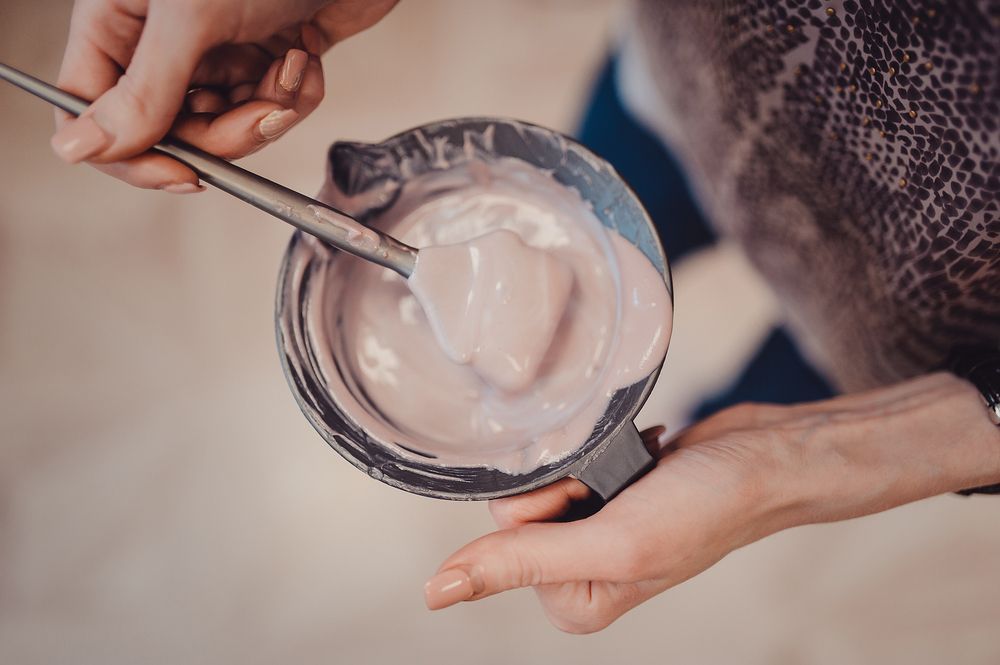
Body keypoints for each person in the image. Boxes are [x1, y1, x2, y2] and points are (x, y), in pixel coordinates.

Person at [52, 0, 999, 634]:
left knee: (802, 380)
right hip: (682, 88)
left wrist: (819, 456)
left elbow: (839, 436)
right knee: (713, 403)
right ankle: (697, 421)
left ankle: (712, 419)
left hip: (918, 326)